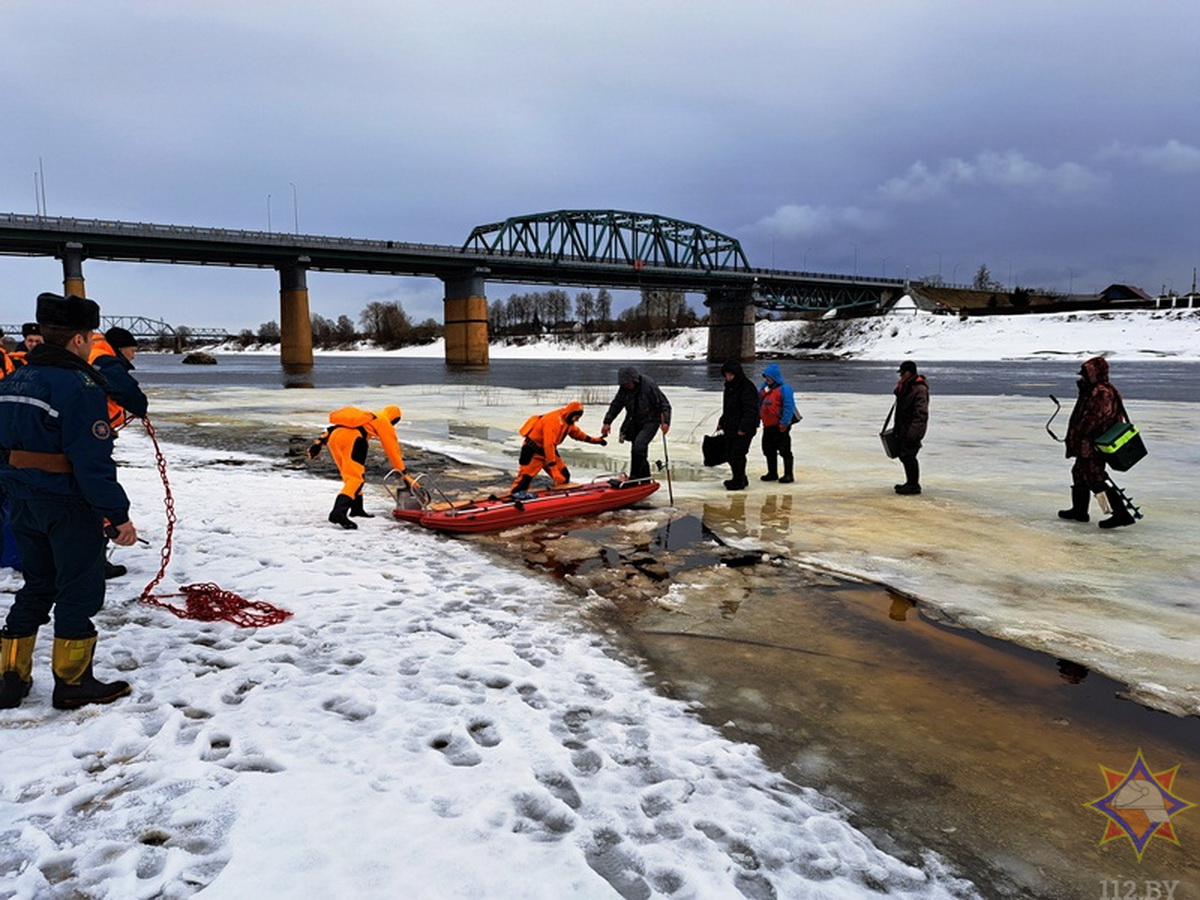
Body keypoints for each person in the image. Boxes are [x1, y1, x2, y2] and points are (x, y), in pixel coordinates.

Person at [0, 292, 138, 711]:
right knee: (79, 588)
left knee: (37, 584)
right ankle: (74, 682)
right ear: (80, 339)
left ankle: (10, 676)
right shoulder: (79, 387)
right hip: (67, 503)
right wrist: (117, 516)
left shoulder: (11, 380)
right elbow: (91, 460)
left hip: (21, 499)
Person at [1059, 356, 1135, 528]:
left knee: (1095, 478)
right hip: (1089, 442)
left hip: (1093, 444)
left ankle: (1120, 514)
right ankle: (1079, 510)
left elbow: (1094, 419)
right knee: (1079, 473)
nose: (1082, 377)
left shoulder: (1102, 392)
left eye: (1085, 374)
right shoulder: (1093, 390)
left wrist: (1080, 434)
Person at [308, 405, 409, 529]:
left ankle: (357, 509)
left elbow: (331, 429)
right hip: (353, 439)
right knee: (355, 479)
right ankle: (338, 512)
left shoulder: (367, 416)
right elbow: (392, 450)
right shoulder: (384, 421)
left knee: (349, 475)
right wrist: (403, 472)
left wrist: (318, 443)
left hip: (334, 437)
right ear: (394, 419)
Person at [510, 401, 606, 497]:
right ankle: (516, 495)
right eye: (577, 418)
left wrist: (596, 440)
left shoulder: (568, 422)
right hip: (533, 451)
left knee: (563, 477)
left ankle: (558, 498)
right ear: (571, 413)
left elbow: (578, 434)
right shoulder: (552, 420)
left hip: (548, 452)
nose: (577, 420)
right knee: (524, 479)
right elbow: (549, 444)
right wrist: (553, 469)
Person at [600, 366, 671, 481]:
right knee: (637, 449)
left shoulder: (649, 385)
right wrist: (607, 422)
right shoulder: (624, 389)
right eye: (624, 384)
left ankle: (635, 477)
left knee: (639, 446)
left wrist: (666, 422)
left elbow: (664, 404)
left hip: (651, 420)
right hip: (634, 420)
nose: (626, 386)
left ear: (634, 380)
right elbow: (616, 405)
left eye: (628, 384)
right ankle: (645, 477)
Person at [89, 327, 149, 431]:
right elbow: (126, 390)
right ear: (121, 349)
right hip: (93, 424)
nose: (133, 356)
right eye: (132, 351)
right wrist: (140, 408)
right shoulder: (105, 361)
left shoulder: (91, 353)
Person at [717, 360, 760, 491]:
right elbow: (729, 408)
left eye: (731, 375)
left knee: (737, 454)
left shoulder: (747, 387)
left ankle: (738, 481)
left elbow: (751, 410)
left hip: (744, 428)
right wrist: (722, 421)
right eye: (726, 375)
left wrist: (744, 428)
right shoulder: (729, 387)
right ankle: (740, 477)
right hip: (731, 426)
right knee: (729, 453)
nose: (728, 377)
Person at [892, 360, 929, 495]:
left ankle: (913, 485)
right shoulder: (907, 386)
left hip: (912, 429)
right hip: (903, 427)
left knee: (908, 456)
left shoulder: (919, 389)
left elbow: (921, 413)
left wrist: (914, 432)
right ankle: (910, 483)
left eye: (903, 373)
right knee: (904, 455)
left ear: (910, 372)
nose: (901, 375)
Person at [758, 362, 797, 484]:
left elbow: (788, 406)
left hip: (780, 426)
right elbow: (758, 400)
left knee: (785, 450)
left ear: (774, 377)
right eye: (765, 377)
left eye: (768, 377)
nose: (766, 379)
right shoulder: (766, 390)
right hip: (768, 426)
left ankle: (788, 474)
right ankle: (772, 473)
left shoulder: (784, 389)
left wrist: (784, 423)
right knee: (768, 449)